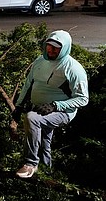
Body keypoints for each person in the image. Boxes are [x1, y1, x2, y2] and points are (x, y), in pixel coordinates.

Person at [12, 30, 89, 178]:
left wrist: (55, 106)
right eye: (49, 46)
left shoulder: (73, 69)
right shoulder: (40, 61)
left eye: (56, 48)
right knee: (43, 142)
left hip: (63, 112)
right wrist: (19, 106)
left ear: (65, 48)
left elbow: (83, 99)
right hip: (41, 109)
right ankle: (46, 173)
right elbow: (28, 84)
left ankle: (30, 164)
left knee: (32, 119)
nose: (51, 50)